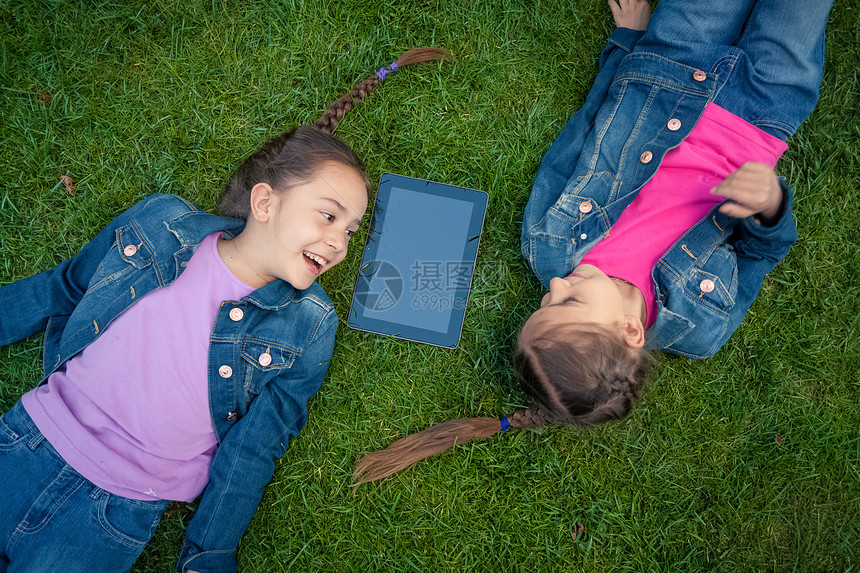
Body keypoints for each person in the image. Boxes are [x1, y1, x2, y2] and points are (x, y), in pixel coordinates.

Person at [0, 48, 449, 572]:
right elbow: (65, 287)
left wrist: (209, 554)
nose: (339, 244)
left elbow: (253, 450)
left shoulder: (309, 326)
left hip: (114, 513)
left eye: (350, 231)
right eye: (328, 216)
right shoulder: (160, 224)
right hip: (26, 443)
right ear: (265, 203)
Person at [352, 0, 833, 483]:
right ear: (630, 331)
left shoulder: (549, 242)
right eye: (570, 300)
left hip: (668, 66)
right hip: (766, 106)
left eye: (545, 300)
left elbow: (584, 130)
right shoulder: (699, 326)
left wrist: (626, 44)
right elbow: (763, 250)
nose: (557, 284)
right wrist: (770, 203)